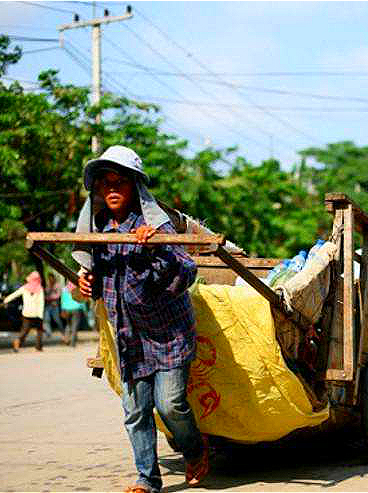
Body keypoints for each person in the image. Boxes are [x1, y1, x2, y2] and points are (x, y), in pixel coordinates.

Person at [73, 145, 209, 493]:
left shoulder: (152, 226)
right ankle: (147, 480)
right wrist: (86, 282)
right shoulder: (99, 231)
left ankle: (194, 449)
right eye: (105, 183)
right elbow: (95, 279)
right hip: (128, 336)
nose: (112, 189)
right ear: (99, 190)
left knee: (170, 405)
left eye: (119, 182)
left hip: (168, 334)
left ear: (134, 186)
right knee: (135, 412)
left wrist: (156, 247)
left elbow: (186, 272)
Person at [4, 271, 45, 352]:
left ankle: (18, 341)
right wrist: (41, 314)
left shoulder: (25, 288)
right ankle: (38, 346)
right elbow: (41, 302)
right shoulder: (40, 289)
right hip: (37, 313)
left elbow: (15, 294)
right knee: (39, 330)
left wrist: (6, 300)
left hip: (26, 313)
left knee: (25, 330)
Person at [60, 281, 86, 347]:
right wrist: (84, 309)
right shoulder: (77, 288)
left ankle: (66, 339)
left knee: (68, 325)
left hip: (67, 309)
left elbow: (62, 300)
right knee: (74, 326)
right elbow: (81, 300)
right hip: (76, 309)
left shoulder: (65, 289)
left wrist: (62, 309)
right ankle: (72, 342)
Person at [43, 272, 64, 338]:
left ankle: (62, 331)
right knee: (46, 319)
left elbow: (59, 295)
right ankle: (48, 333)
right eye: (49, 278)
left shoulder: (57, 285)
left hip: (55, 305)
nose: (50, 279)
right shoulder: (47, 285)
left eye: (51, 278)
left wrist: (50, 298)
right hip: (48, 305)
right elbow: (45, 294)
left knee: (57, 320)